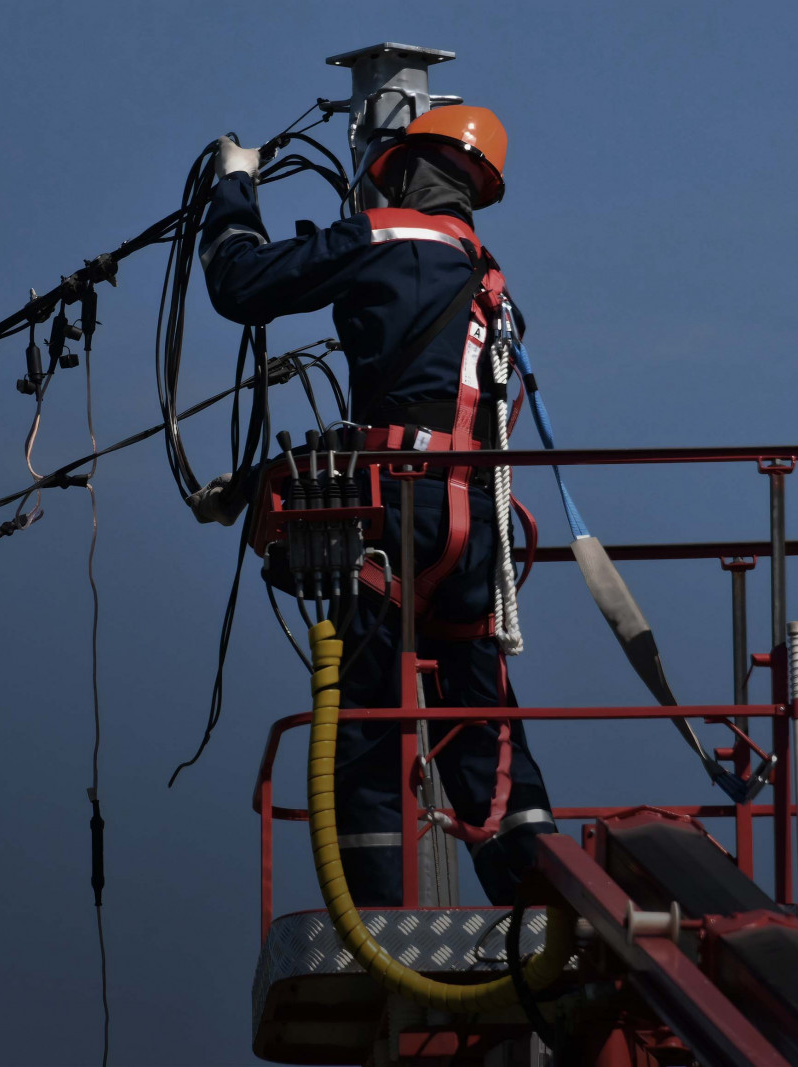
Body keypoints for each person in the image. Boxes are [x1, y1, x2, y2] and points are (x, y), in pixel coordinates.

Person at [194, 107, 557, 907]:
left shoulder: (383, 236)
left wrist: (234, 186)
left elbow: (240, 284)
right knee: (484, 725)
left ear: (402, 169)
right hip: (474, 528)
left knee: (368, 724)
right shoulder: (490, 283)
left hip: (395, 515)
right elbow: (433, 411)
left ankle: (383, 918)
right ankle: (540, 898)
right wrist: (254, 484)